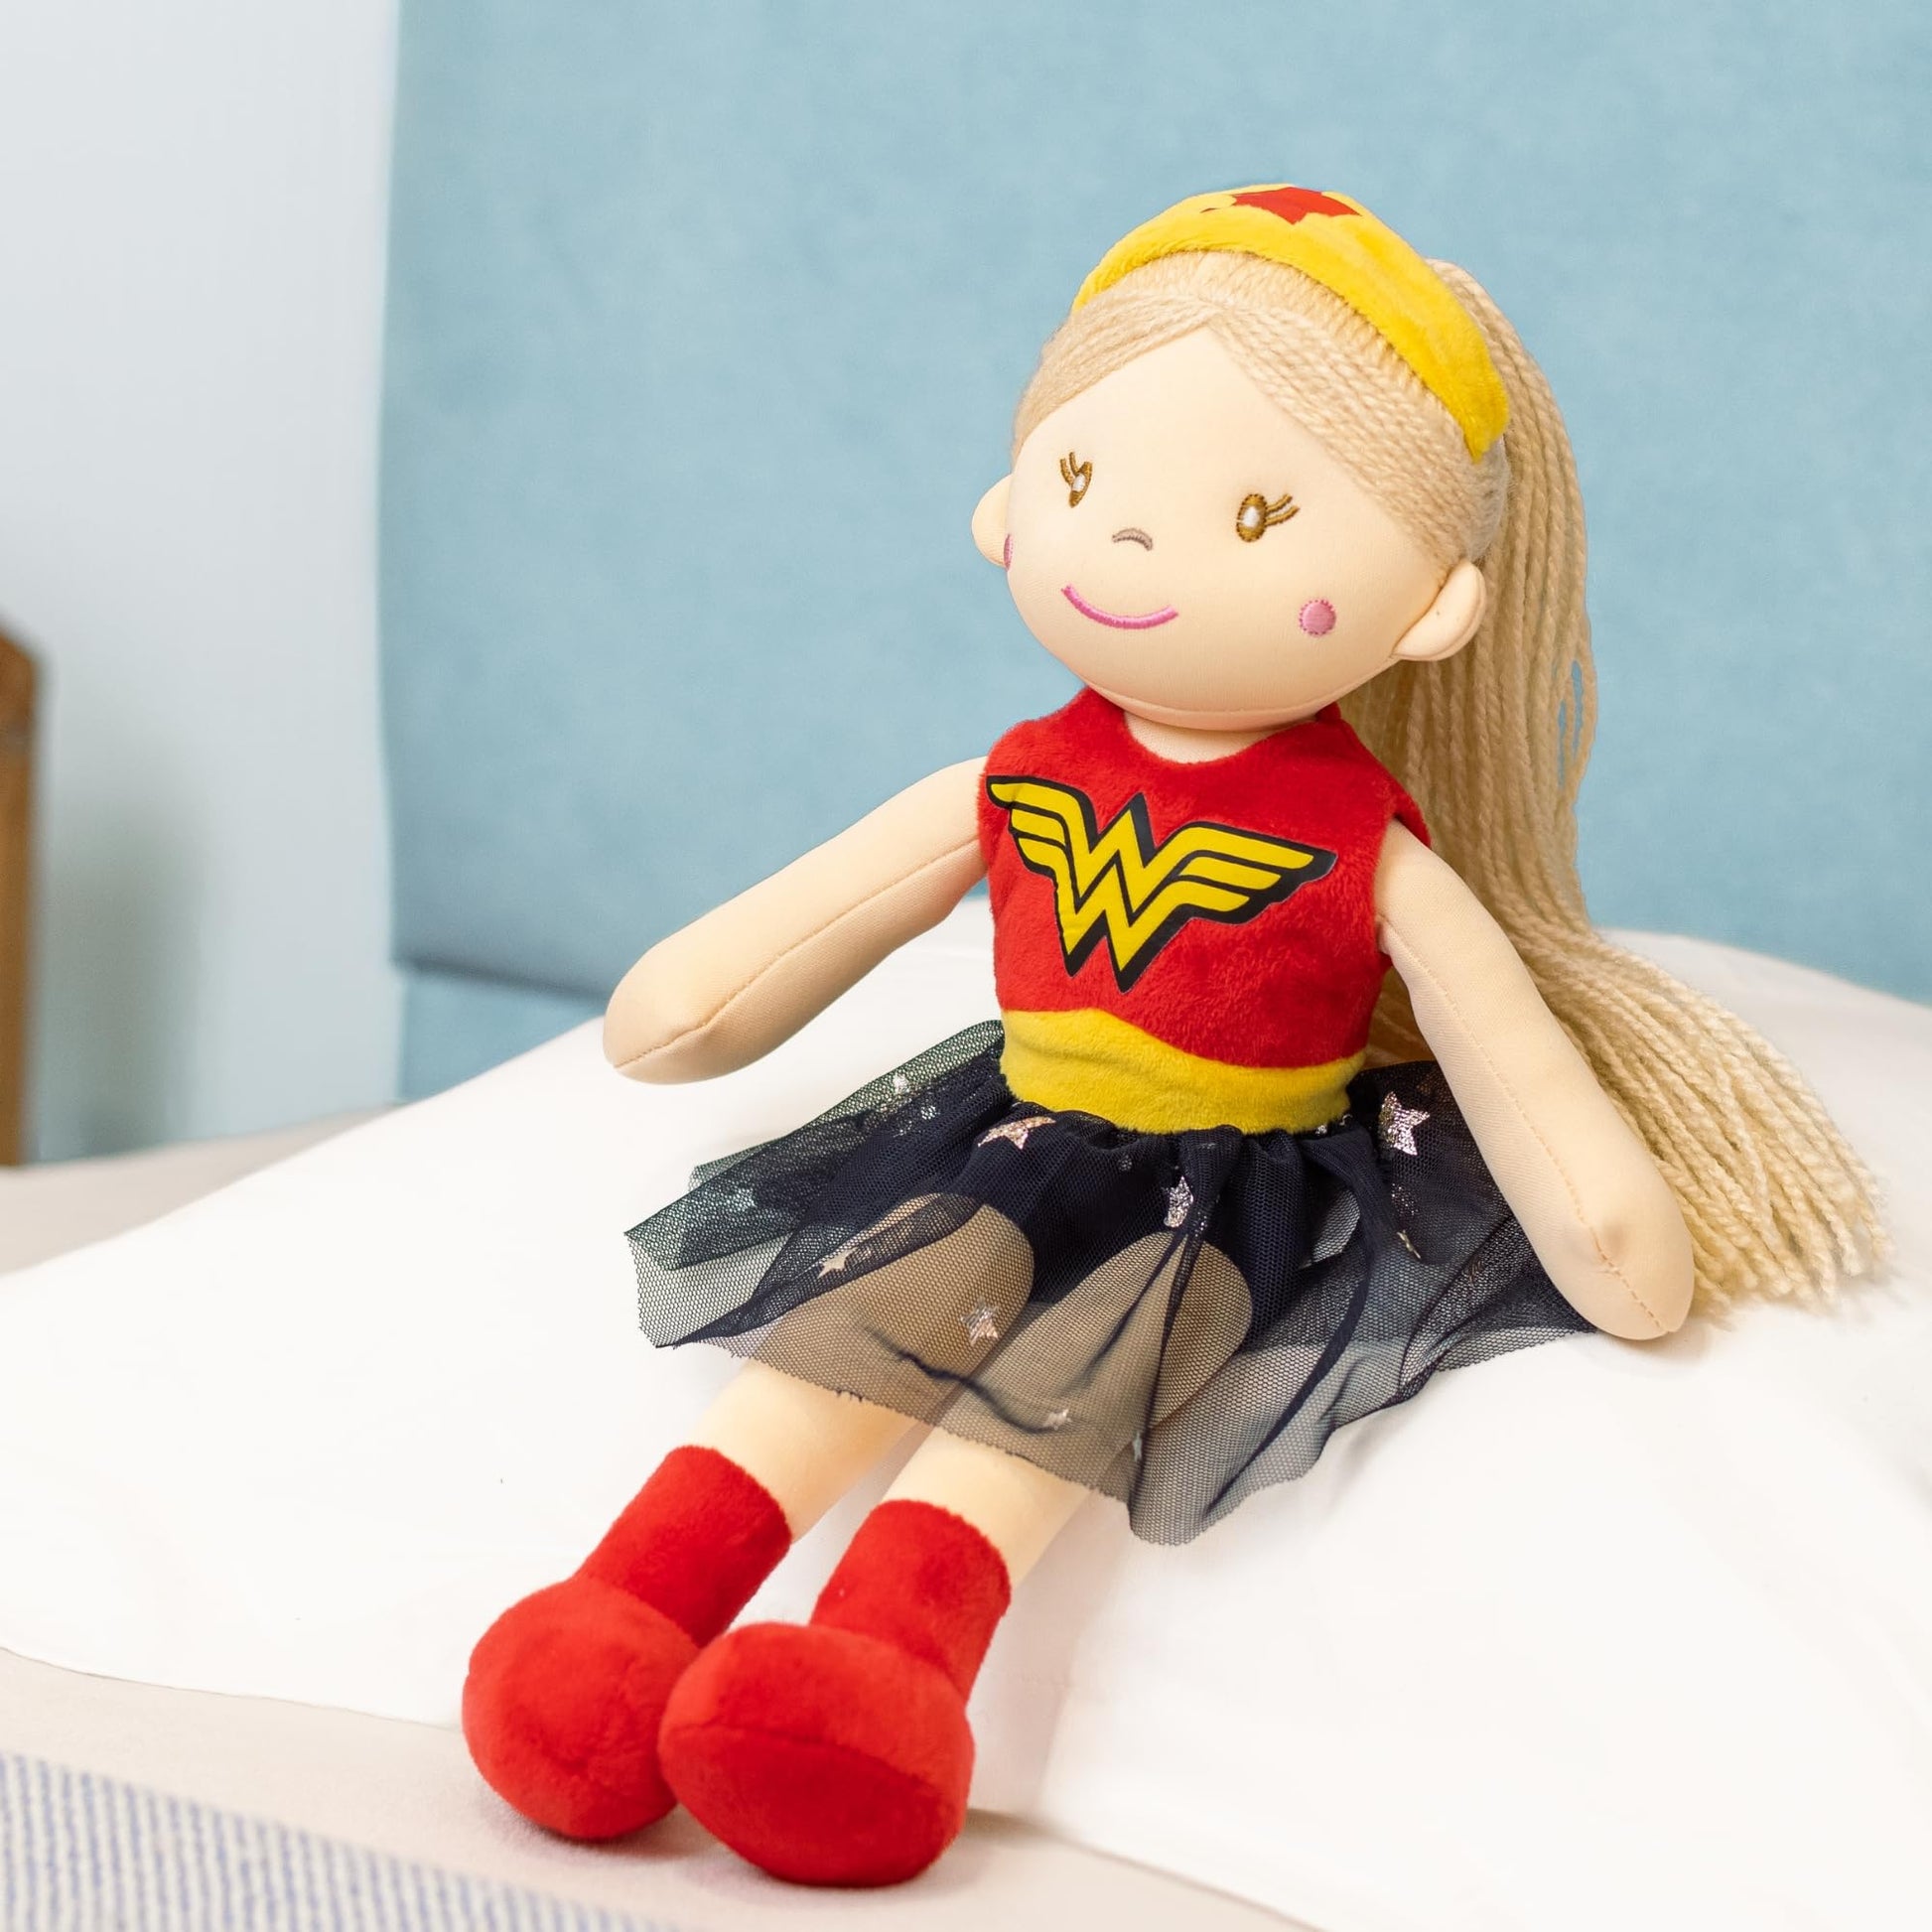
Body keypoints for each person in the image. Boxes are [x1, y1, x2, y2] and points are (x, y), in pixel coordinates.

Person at [462, 185, 1882, 1888]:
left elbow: (1500, 1045)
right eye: (1079, 479)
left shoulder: (1363, 849)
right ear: (1008, 506)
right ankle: (618, 1613)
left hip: (1223, 1189)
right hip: (1002, 1135)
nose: (1130, 545)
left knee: (1031, 1413)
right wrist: (698, 1003)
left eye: (1259, 515)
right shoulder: (1013, 778)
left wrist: (1600, 1215)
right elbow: (737, 973)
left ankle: (881, 1674)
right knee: (838, 1344)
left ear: (1434, 603)